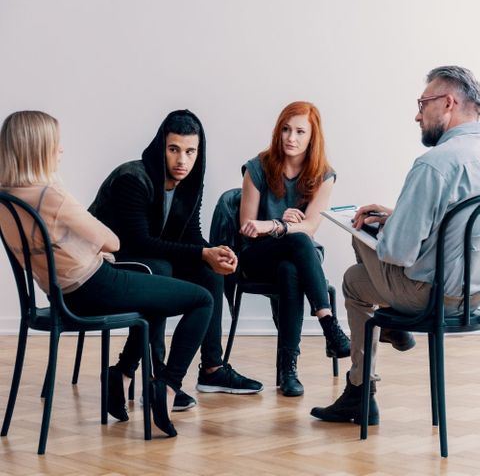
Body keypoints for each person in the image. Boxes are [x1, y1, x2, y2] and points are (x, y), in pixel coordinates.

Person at [0, 110, 215, 437]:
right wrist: (93, 246)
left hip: (62, 296)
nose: (60, 151)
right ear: (37, 148)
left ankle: (123, 375)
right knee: (202, 300)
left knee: (156, 285)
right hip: (96, 286)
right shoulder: (51, 196)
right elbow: (112, 241)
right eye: (56, 145)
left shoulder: (6, 200)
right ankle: (168, 388)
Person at [311, 65, 480, 425]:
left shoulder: (435, 164)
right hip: (474, 297)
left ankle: (361, 391)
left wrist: (390, 225)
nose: (417, 115)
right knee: (372, 234)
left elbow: (397, 253)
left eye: (423, 103)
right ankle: (388, 333)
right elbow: (459, 225)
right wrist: (398, 215)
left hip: (429, 296)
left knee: (355, 275)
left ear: (448, 103)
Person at [89, 109, 263, 410]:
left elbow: (190, 234)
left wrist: (214, 253)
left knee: (210, 272)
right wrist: (201, 253)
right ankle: (155, 377)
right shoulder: (134, 178)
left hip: (150, 257)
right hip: (108, 262)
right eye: (174, 150)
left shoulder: (190, 182)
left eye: (190, 151)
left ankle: (212, 369)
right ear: (162, 147)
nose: (182, 160)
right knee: (161, 269)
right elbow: (138, 241)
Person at [239, 101, 351, 397]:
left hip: (297, 260)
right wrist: (280, 224)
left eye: (300, 132)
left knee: (291, 268)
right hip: (258, 254)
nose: (291, 138)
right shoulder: (257, 168)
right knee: (298, 241)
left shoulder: (323, 175)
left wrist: (278, 226)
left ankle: (288, 370)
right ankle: (329, 324)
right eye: (286, 130)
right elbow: (248, 226)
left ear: (312, 137)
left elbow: (311, 225)